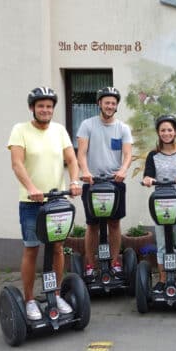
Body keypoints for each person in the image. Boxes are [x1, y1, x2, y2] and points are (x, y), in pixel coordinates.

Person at [8, 86, 82, 320]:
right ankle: (30, 300)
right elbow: (17, 163)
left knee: (58, 248)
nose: (45, 110)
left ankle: (56, 294)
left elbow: (71, 159)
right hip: (31, 203)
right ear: (32, 108)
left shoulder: (60, 130)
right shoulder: (20, 130)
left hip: (57, 201)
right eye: (40, 106)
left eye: (49, 106)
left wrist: (75, 181)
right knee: (32, 249)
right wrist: (31, 188)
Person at [77, 86, 133, 277]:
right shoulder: (87, 125)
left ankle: (116, 261)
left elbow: (127, 154)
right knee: (92, 225)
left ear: (116, 106)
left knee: (114, 224)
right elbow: (81, 153)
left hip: (114, 183)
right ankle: (91, 264)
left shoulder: (123, 128)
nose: (110, 106)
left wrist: (123, 170)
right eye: (106, 102)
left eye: (113, 103)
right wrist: (84, 171)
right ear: (99, 103)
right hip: (92, 182)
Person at [142, 115, 176, 294]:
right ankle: (163, 280)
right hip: (161, 203)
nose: (166, 133)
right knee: (163, 243)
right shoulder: (153, 155)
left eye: (169, 130)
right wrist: (148, 179)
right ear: (158, 132)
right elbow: (147, 175)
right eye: (163, 130)